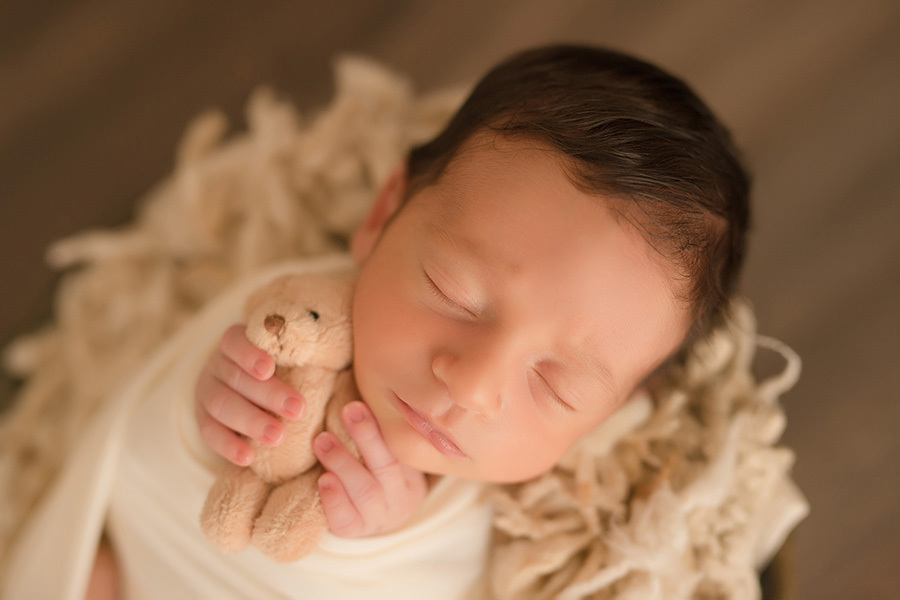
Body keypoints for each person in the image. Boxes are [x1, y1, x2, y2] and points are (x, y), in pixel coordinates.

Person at [9, 44, 750, 599]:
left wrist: (385, 534)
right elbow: (143, 445)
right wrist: (211, 403)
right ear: (382, 214)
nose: (471, 384)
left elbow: (447, 580)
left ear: (613, 415)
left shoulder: (521, 518)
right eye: (453, 292)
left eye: (554, 385)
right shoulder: (295, 305)